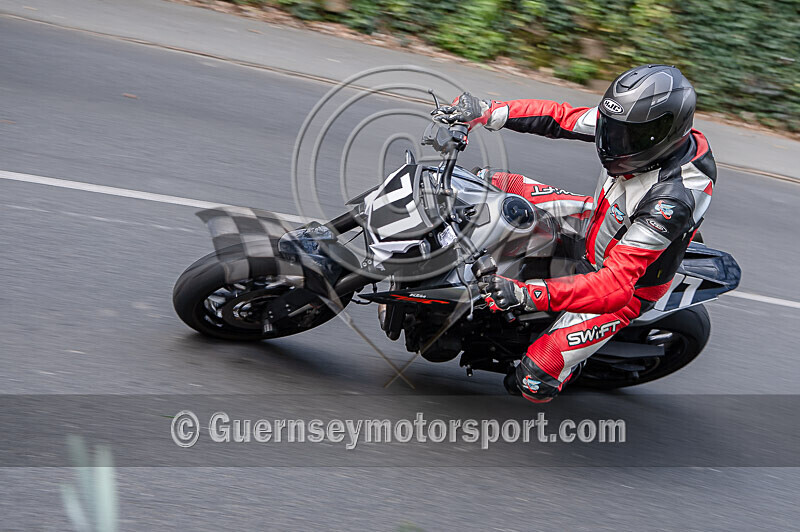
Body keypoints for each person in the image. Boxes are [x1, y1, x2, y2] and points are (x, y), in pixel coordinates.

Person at [434, 64, 716, 402]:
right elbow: (560, 117)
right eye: (611, 130)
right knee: (489, 184)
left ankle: (560, 362)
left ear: (664, 136)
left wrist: (528, 294)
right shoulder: (629, 124)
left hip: (624, 285)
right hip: (593, 219)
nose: (612, 144)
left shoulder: (672, 201)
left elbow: (614, 285)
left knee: (532, 383)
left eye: (626, 138)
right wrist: (486, 110)